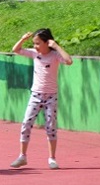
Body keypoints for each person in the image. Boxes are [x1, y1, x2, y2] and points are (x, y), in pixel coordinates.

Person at [10, 28, 73, 170]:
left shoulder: (55, 55)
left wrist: (56, 45)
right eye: (34, 43)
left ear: (47, 43)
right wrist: (23, 39)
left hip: (51, 97)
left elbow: (69, 61)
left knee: (50, 127)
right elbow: (16, 49)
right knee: (26, 123)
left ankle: (52, 158)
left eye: (38, 43)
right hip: (36, 95)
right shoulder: (34, 54)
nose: (35, 46)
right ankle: (22, 156)